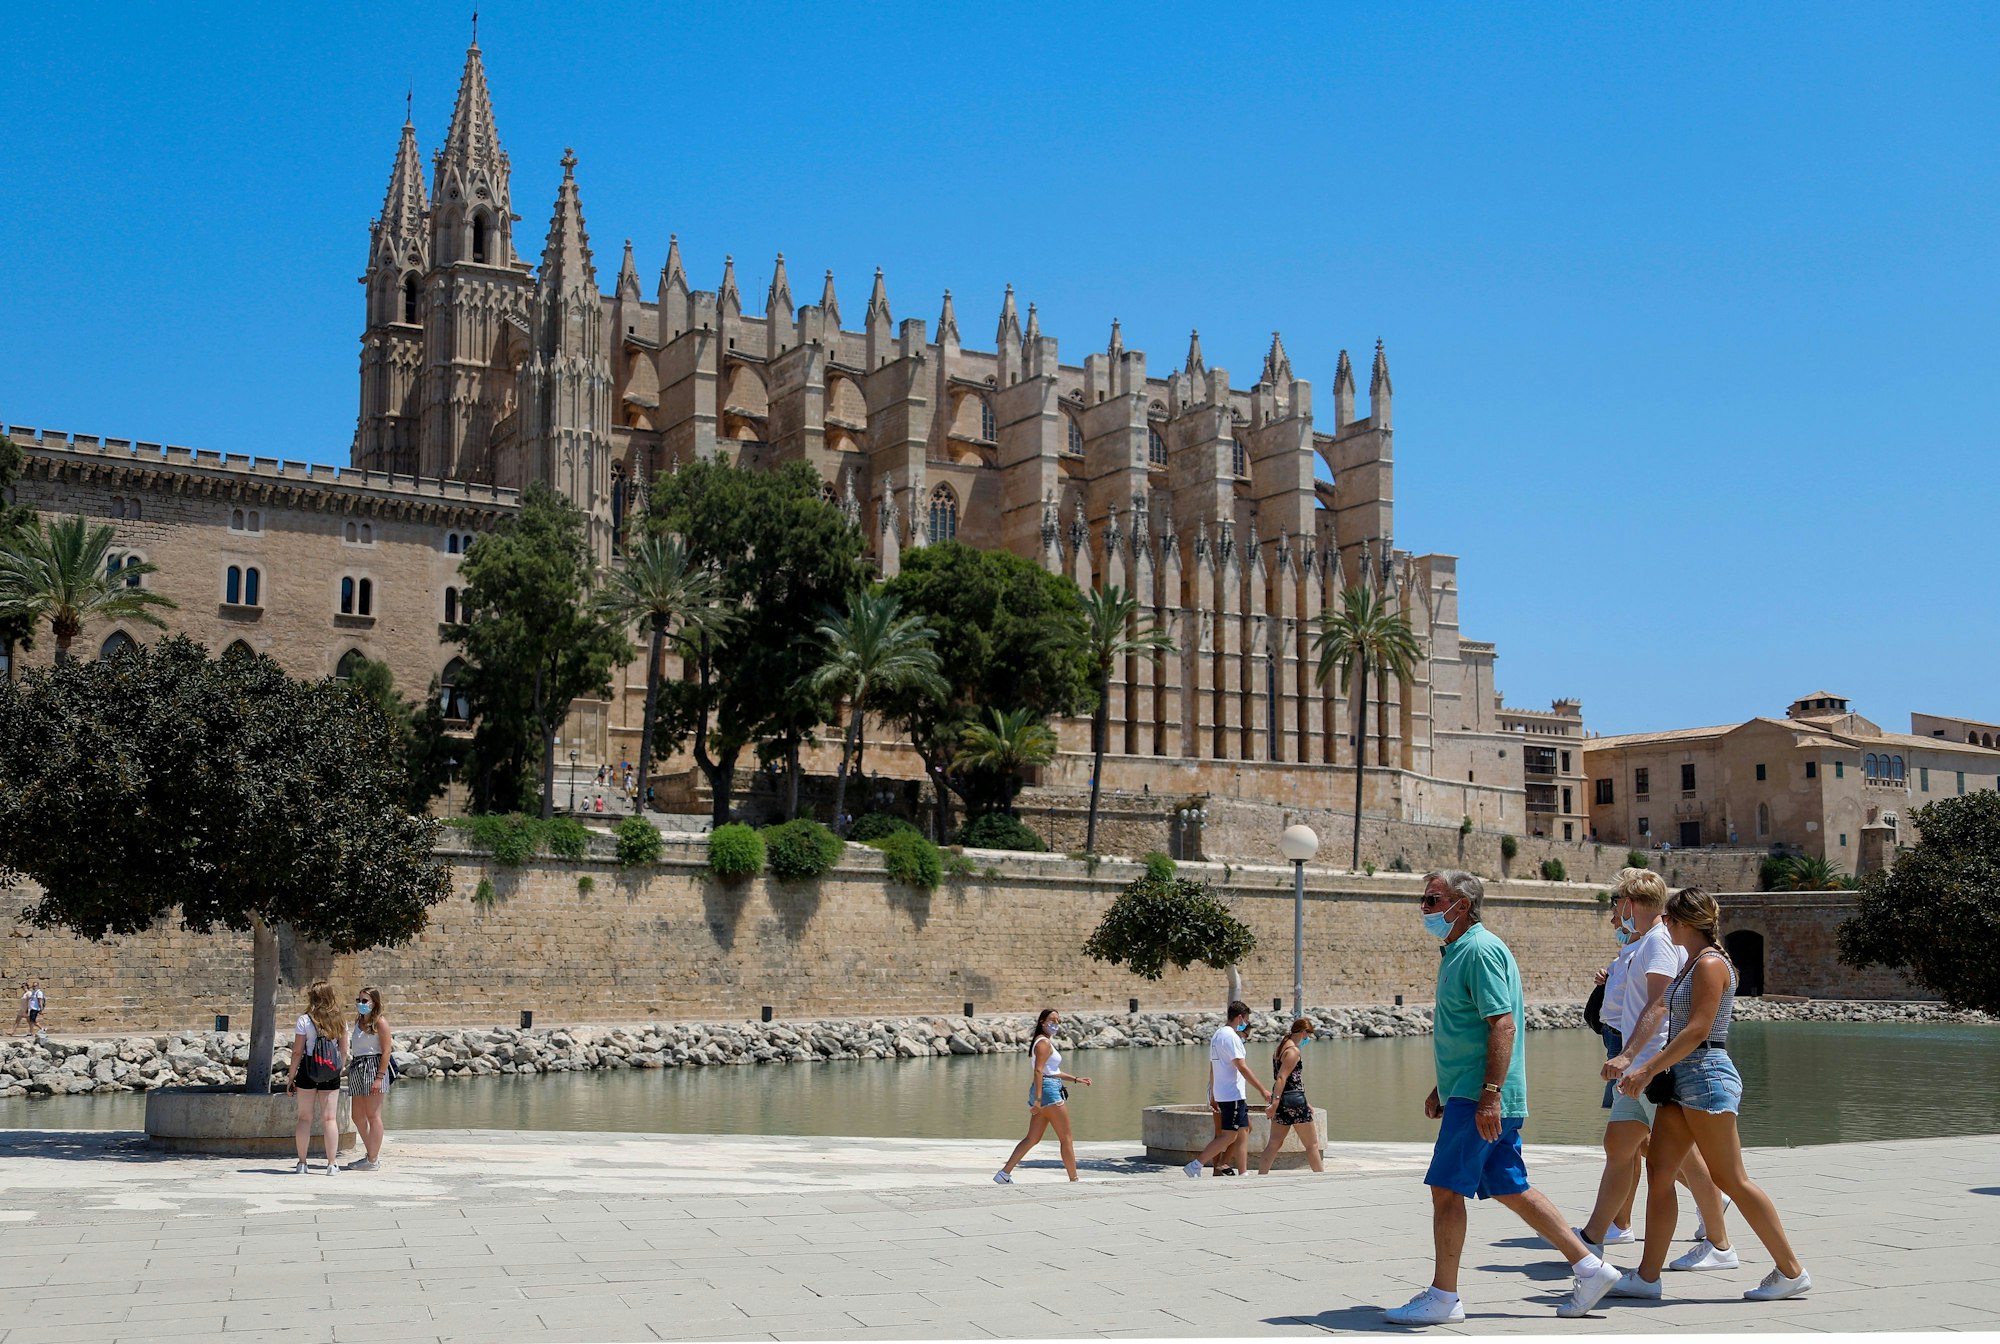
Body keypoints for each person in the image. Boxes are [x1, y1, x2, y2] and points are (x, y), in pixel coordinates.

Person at [1383, 871, 1620, 1325]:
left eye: (1432, 900)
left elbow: (1502, 1025)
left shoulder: (1479, 950)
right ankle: (1590, 1267)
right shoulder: (1458, 951)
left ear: (1462, 905)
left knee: (1445, 1189)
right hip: (1471, 1092)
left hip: (1481, 1098)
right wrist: (1442, 1086)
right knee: (1510, 1186)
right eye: (1424, 899)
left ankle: (1443, 1297)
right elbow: (1467, 1032)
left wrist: (1489, 1095)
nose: (1424, 908)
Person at [1609, 888, 1813, 1304]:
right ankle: (1647, 1277)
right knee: (1660, 1172)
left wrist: (1647, 1068)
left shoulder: (1709, 963)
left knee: (1731, 1178)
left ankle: (1791, 1271)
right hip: (1682, 1078)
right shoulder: (1691, 962)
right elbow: (1669, 1014)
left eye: (1669, 919)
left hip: (1705, 1076)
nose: (1665, 925)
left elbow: (1698, 1030)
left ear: (1685, 922)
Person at [1579, 870, 1735, 1270]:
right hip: (1636, 1065)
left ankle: (1719, 1242)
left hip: (1650, 1065)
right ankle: (1592, 1240)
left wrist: (1632, 1057)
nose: (1614, 910)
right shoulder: (1644, 941)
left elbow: (1660, 1004)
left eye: (1616, 901)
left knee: (1684, 1159)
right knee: (1619, 1146)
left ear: (1630, 903)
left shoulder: (1659, 943)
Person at [994, 1008, 1091, 1183]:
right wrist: (1038, 1100)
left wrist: (1076, 1079)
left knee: (1032, 1138)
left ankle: (1004, 1174)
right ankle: (1074, 1179)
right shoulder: (1043, 1043)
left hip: (1046, 1089)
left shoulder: (1043, 1041)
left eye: (1058, 1021)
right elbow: (1038, 1071)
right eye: (1052, 1021)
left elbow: (1052, 1071)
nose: (1056, 1024)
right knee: (1066, 1139)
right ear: (1042, 1022)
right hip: (1048, 1092)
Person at [1185, 1001, 1272, 1178]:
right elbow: (1242, 1067)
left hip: (1225, 1093)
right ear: (1239, 1017)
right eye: (1245, 1020)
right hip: (1232, 1095)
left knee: (1244, 1129)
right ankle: (1196, 1164)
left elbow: (1213, 1067)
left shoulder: (1218, 1035)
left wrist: (1213, 1094)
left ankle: (1243, 1172)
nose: (1246, 1023)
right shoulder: (1231, 1037)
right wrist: (1262, 1090)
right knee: (1229, 1135)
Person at [286, 979, 346, 1175]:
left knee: (304, 1118)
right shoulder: (340, 1019)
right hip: (330, 1071)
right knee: (329, 1118)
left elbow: (297, 1051)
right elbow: (343, 1050)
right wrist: (337, 1069)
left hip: (308, 1070)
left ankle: (302, 1163)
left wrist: (291, 1077)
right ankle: (331, 1164)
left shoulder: (304, 1020)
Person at [1255, 1017, 1323, 1175]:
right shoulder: (1293, 1051)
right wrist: (1274, 1104)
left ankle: (1261, 1175)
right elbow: (1282, 1078)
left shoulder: (1279, 1049)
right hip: (1294, 1101)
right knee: (1312, 1145)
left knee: (1274, 1143)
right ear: (1303, 1032)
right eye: (1308, 1035)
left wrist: (1277, 1102)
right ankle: (1321, 1177)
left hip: (1285, 1100)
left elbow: (1290, 1080)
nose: (1308, 1038)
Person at [344, 985, 393, 1171]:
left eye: (365, 1000)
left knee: (373, 1115)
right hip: (357, 1065)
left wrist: (379, 1077)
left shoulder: (380, 1022)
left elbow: (386, 1051)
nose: (361, 1003)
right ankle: (372, 1153)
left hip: (373, 1066)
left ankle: (372, 1159)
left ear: (374, 1002)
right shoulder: (359, 1021)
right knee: (357, 1115)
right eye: (359, 1000)